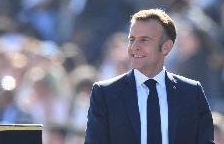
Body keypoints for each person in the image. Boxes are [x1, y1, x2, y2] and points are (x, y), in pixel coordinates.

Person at [84, 9, 214, 144]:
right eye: (131, 39)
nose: (134, 47)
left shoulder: (191, 92)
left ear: (166, 47)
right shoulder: (105, 93)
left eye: (144, 40)